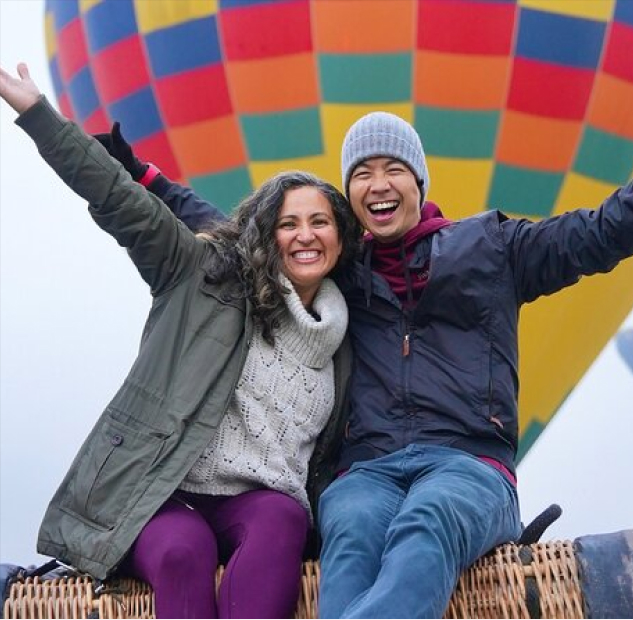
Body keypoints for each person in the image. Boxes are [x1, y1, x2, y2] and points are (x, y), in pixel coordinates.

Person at [94, 79, 633, 618]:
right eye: (361, 173)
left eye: (393, 170)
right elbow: (241, 236)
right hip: (368, 470)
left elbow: (604, 232)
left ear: (418, 182)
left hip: (469, 467)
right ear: (350, 198)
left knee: (427, 521)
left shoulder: (494, 248)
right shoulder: (342, 274)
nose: (378, 184)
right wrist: (142, 177)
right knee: (350, 530)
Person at [0, 62, 362, 619]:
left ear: (341, 235)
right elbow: (120, 200)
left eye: (320, 222)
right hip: (162, 492)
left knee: (284, 520)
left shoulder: (346, 334)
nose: (305, 236)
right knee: (181, 553)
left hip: (262, 502)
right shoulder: (203, 275)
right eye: (288, 223)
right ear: (265, 234)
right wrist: (38, 115)